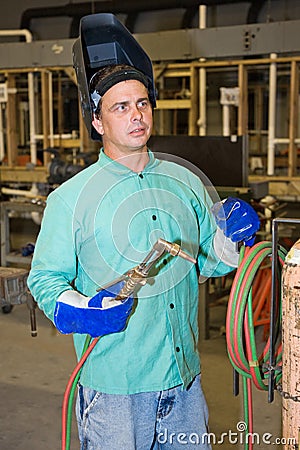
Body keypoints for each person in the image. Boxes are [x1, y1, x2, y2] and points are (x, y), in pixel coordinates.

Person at [28, 61, 260, 449]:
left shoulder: (185, 182)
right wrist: (78, 307)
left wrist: (229, 236)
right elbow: (45, 277)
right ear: (98, 122)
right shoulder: (69, 199)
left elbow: (207, 262)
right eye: (121, 107)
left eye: (142, 104)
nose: (136, 114)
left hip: (183, 378)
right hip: (116, 384)